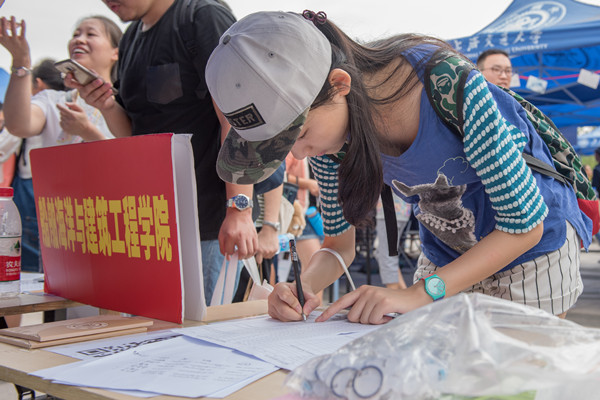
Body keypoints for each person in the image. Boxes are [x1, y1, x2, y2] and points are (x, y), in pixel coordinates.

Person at [206, 11, 592, 325]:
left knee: (517, 376)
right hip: (449, 253)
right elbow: (339, 245)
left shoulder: (447, 86)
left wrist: (418, 292)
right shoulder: (329, 145)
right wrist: (302, 287)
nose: (300, 152)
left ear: (339, 84)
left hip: (532, 249)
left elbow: (524, 225)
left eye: (300, 133)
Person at [77, 0, 257, 304]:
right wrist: (105, 105)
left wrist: (239, 209)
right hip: (154, 222)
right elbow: (136, 134)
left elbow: (238, 117)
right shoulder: (132, 36)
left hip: (208, 223)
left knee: (204, 325)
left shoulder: (202, 17)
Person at [375, 193, 411, 290]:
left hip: (390, 210)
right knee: (384, 254)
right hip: (399, 209)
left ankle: (394, 293)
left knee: (387, 256)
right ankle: (404, 291)